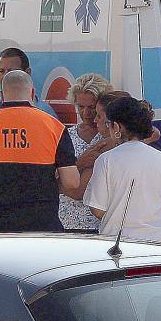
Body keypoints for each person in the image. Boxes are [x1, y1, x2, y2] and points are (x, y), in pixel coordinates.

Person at [0, 70, 80, 233]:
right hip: (42, 226)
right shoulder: (54, 126)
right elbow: (72, 182)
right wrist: (46, 188)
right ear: (32, 93)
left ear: (2, 95)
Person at [84, 97, 161, 244]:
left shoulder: (106, 160)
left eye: (109, 124)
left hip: (122, 245)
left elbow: (98, 210)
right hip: (160, 243)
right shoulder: (159, 156)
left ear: (117, 127)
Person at [58, 73, 113, 232]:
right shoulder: (66, 135)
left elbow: (76, 190)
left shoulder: (109, 137)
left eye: (91, 107)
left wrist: (57, 185)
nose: (86, 113)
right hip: (66, 221)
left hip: (99, 223)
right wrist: (80, 163)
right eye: (81, 107)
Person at [0, 47, 56, 115]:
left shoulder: (45, 112)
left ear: (27, 73)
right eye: (1, 71)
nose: (5, 76)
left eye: (11, 71)